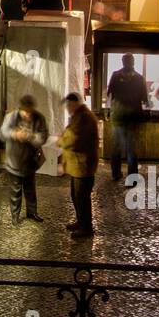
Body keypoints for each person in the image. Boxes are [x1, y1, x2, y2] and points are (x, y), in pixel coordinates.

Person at [0, 93, 48, 225]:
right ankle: (15, 215)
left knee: (30, 189)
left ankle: (32, 213)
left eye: (29, 112)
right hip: (14, 161)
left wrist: (31, 137)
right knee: (15, 191)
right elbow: (2, 133)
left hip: (30, 162)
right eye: (25, 112)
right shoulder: (11, 117)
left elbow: (43, 136)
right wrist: (14, 134)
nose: (27, 115)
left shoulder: (39, 118)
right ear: (20, 109)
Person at [58, 92, 100, 239]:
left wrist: (60, 141)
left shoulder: (84, 118)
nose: (68, 107)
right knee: (76, 196)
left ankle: (86, 228)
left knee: (82, 197)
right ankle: (81, 222)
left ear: (76, 103)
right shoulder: (78, 116)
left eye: (69, 104)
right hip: (77, 166)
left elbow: (73, 140)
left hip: (83, 166)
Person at [107, 53, 149, 180]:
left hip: (118, 116)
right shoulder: (139, 78)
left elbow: (109, 95)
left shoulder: (115, 75)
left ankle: (115, 173)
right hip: (133, 116)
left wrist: (109, 111)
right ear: (133, 62)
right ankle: (132, 177)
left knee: (116, 146)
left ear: (123, 62)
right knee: (131, 148)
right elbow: (145, 99)